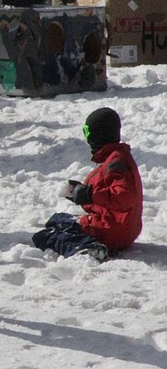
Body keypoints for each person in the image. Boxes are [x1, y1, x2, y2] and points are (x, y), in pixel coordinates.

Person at [32, 107, 142, 262]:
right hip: (122, 227)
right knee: (56, 219)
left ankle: (88, 248)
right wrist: (80, 193)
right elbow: (109, 194)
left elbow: (124, 197)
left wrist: (90, 194)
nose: (87, 139)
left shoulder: (116, 162)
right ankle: (88, 242)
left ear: (99, 134)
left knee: (45, 236)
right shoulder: (117, 157)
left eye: (88, 132)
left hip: (111, 230)